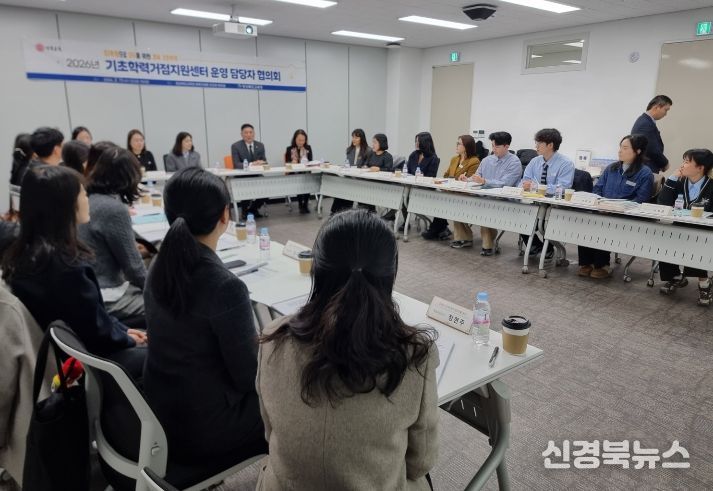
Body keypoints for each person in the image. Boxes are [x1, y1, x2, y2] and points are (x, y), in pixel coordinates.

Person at [257, 209, 438, 490]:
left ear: (317, 269)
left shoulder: (273, 338)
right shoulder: (415, 355)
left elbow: (270, 433)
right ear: (391, 274)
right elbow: (420, 461)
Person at [143, 167, 267, 487]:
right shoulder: (224, 286)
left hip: (159, 412)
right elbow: (249, 378)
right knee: (292, 398)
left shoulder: (159, 265)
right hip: (205, 430)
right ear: (225, 216)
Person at [1, 165, 146, 377]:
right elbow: (95, 332)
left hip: (62, 352)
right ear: (66, 206)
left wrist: (123, 330)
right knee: (163, 353)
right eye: (83, 194)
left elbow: (92, 318)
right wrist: (126, 338)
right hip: (88, 363)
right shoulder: (68, 269)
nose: (87, 199)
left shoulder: (25, 253)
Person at [79, 147, 147, 322]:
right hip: (107, 295)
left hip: (88, 287)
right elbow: (134, 269)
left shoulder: (89, 196)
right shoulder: (113, 209)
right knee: (170, 307)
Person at [577, 135, 654, 278]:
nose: (620, 151)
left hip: (624, 216)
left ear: (637, 151)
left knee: (604, 225)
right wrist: (600, 203)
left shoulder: (645, 173)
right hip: (602, 210)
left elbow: (641, 200)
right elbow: (598, 189)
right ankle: (586, 263)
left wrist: (617, 208)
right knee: (586, 221)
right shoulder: (611, 169)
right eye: (620, 147)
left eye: (625, 148)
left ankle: (602, 265)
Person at [657, 148, 713, 305]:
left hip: (704, 230)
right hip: (679, 226)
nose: (682, 165)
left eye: (687, 162)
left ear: (700, 168)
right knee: (664, 238)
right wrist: (672, 178)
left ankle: (704, 283)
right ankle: (675, 277)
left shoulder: (711, 186)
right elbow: (663, 203)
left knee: (694, 242)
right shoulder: (679, 181)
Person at [459, 132, 523, 255]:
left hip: (503, 201)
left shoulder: (514, 162)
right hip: (484, 197)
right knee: (459, 202)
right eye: (492, 146)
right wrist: (467, 179)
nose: (493, 149)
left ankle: (487, 245)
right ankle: (464, 237)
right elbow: (477, 176)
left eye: (497, 147)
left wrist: (484, 181)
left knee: (486, 206)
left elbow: (505, 183)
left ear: (506, 146)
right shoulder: (487, 160)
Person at [520, 128, 575, 257]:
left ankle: (547, 248)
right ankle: (537, 247)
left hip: (555, 205)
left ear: (550, 145)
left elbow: (563, 187)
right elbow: (525, 181)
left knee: (546, 222)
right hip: (534, 202)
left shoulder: (566, 163)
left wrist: (538, 187)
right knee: (519, 217)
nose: (536, 146)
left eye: (539, 143)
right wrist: (527, 186)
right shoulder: (535, 161)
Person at [422, 135, 480, 244]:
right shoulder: (454, 159)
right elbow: (446, 175)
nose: (456, 146)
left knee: (444, 203)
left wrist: (455, 179)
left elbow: (470, 180)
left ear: (467, 146)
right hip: (450, 192)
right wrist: (452, 180)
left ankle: (438, 229)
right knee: (439, 201)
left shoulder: (474, 161)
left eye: (459, 144)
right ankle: (440, 229)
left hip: (463, 195)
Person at [330, 129, 373, 214]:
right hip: (349, 178)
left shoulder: (368, 150)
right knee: (341, 190)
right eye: (353, 137)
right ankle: (336, 212)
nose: (354, 139)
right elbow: (347, 163)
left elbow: (367, 165)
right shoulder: (349, 150)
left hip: (361, 180)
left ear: (362, 138)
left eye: (356, 137)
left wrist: (364, 167)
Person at [231, 123, 267, 218]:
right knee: (245, 189)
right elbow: (236, 164)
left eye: (251, 132)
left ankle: (252, 210)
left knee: (267, 188)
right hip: (242, 175)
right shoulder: (236, 146)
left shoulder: (260, 145)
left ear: (254, 133)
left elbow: (265, 161)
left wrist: (261, 162)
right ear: (241, 134)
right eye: (246, 133)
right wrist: (251, 164)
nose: (249, 135)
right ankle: (245, 211)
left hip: (256, 175)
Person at [631, 95, 672, 174]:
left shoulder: (646, 121)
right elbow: (651, 148)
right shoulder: (646, 123)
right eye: (666, 110)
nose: (666, 114)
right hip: (645, 169)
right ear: (657, 107)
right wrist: (665, 163)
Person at [284, 129, 313, 214]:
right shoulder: (290, 149)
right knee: (300, 180)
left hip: (305, 172)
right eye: (299, 140)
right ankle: (300, 204)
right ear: (295, 139)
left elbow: (311, 161)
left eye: (303, 140)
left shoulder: (308, 148)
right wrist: (292, 163)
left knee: (307, 180)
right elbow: (287, 164)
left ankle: (305, 204)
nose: (301, 142)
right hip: (294, 174)